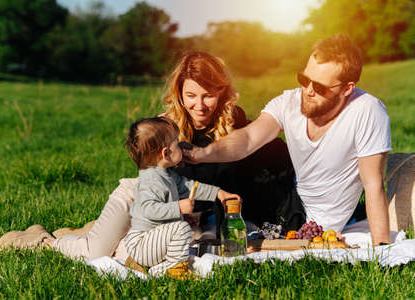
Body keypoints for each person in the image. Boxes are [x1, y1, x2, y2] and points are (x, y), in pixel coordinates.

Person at [43, 51, 294, 259]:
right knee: (96, 252)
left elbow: (256, 155)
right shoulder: (166, 128)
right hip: (142, 199)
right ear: (180, 94)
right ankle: (45, 242)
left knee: (141, 253)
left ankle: (98, 233)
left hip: (183, 213)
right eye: (191, 96)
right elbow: (155, 187)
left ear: (222, 91)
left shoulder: (233, 121)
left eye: (208, 95)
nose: (200, 105)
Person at [183, 34, 392, 246]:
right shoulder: (289, 101)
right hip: (288, 197)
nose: (308, 91)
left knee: (258, 153)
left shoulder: (367, 111)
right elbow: (247, 139)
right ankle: (184, 219)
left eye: (319, 87)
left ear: (347, 88)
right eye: (304, 80)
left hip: (306, 222)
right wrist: (200, 154)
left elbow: (373, 184)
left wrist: (383, 248)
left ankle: (206, 222)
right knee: (242, 138)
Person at [122, 116, 240, 277]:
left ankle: (144, 263)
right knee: (182, 228)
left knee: (182, 225)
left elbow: (190, 186)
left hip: (153, 241)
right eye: (176, 142)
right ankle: (175, 270)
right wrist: (178, 208)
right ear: (166, 153)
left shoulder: (167, 175)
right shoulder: (151, 180)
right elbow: (149, 209)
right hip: (142, 242)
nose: (181, 145)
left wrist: (218, 193)